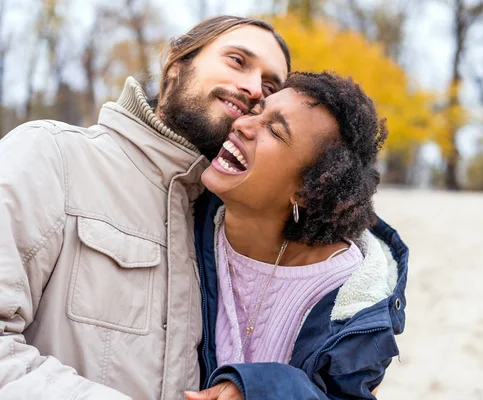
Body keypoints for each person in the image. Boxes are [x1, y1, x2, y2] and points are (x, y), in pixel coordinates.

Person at [0, 16, 289, 399]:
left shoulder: (229, 225)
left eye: (270, 87)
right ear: (175, 64)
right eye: (237, 61)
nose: (254, 89)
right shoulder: (53, 157)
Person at [185, 71, 408, 400]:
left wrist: (260, 390)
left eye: (274, 130)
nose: (243, 125)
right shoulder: (184, 221)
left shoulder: (352, 303)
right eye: (256, 111)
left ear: (308, 190)